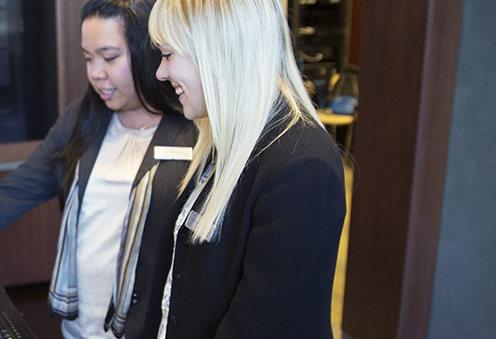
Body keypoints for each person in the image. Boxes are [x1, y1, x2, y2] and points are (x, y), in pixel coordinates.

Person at [0, 0, 197, 338]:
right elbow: (20, 187)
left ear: (148, 53)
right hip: (83, 325)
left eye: (110, 57)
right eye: (89, 58)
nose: (95, 72)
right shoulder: (83, 117)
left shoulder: (192, 129)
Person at [145, 0, 347, 337]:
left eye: (168, 55)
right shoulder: (227, 139)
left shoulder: (303, 169)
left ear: (217, 51)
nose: (160, 72)